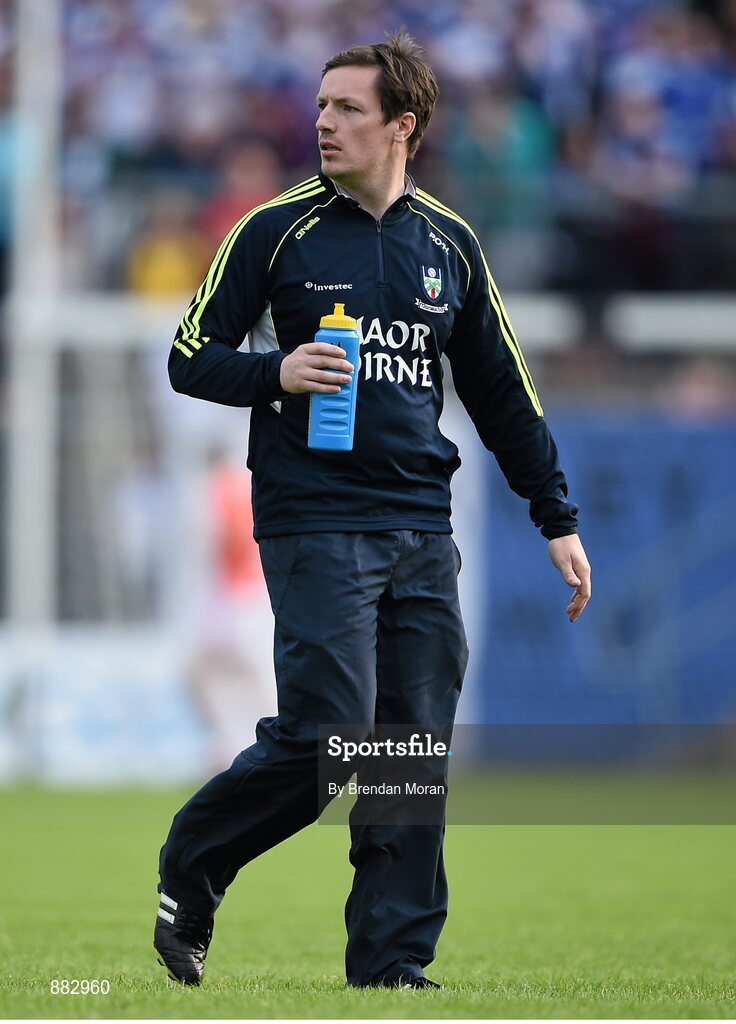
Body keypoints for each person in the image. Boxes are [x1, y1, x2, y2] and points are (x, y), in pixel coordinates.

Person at [153, 29, 591, 990]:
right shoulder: (276, 232)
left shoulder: (450, 244)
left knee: (406, 751)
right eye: (320, 107)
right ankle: (196, 859)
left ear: (405, 126)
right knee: (326, 739)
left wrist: (554, 515)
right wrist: (278, 370)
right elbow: (189, 357)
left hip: (420, 528)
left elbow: (501, 393)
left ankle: (391, 962)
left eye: (347, 109)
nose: (323, 123)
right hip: (313, 519)